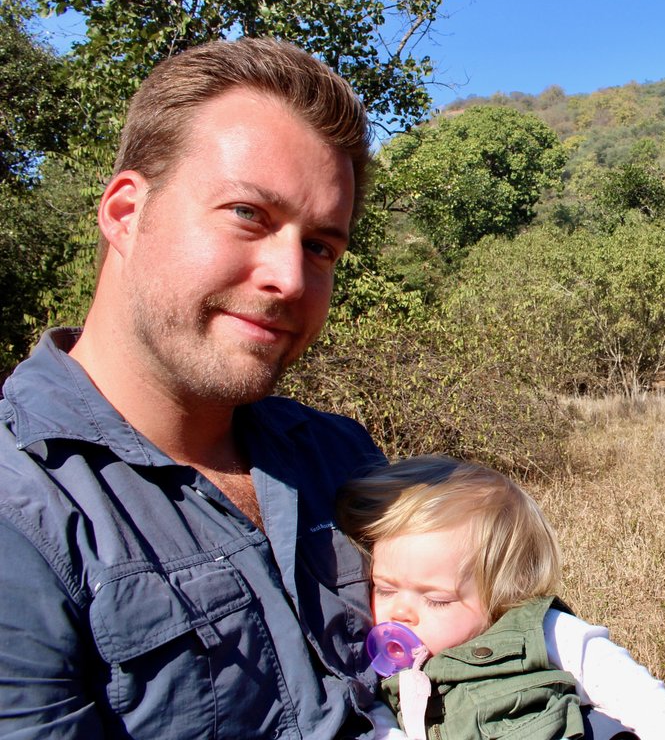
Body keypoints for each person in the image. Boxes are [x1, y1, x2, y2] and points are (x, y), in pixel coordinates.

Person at [0, 38, 386, 738]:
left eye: (320, 246)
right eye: (248, 214)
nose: (291, 279)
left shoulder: (342, 456)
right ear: (125, 214)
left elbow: (505, 657)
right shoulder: (22, 514)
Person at [335, 456, 665, 740]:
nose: (399, 612)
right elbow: (378, 724)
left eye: (437, 599)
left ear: (500, 596)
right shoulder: (380, 670)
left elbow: (627, 687)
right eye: (384, 588)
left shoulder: (536, 632)